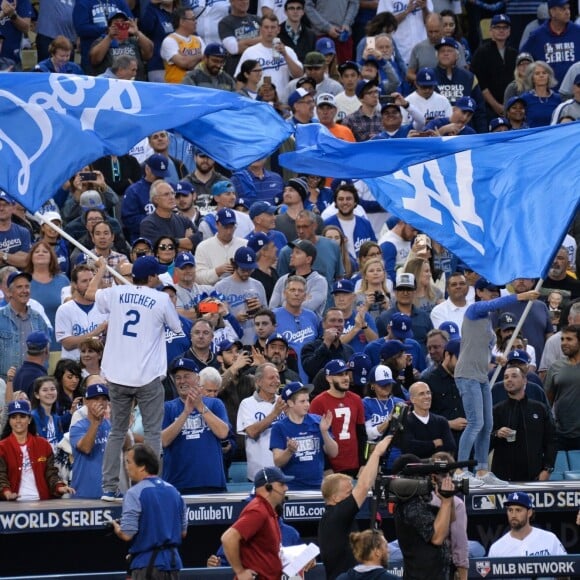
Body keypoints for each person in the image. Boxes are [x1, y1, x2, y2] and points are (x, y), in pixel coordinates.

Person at [86, 256, 182, 501]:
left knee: (117, 432)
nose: (160, 277)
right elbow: (177, 327)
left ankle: (109, 487)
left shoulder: (117, 292)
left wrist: (100, 269)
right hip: (147, 377)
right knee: (152, 433)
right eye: (157, 274)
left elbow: (89, 293)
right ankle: (151, 484)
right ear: (150, 277)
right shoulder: (161, 299)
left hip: (117, 376)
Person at [454, 277, 540, 486]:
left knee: (487, 424)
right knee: (475, 423)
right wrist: (521, 296)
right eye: (490, 290)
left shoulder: (486, 321)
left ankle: (482, 470)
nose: (494, 293)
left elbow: (477, 347)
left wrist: (494, 358)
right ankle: (460, 469)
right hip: (467, 374)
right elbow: (494, 304)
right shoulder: (474, 310)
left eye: (496, 290)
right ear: (479, 291)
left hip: (481, 374)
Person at [318, 435, 394, 580]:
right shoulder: (336, 515)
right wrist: (376, 452)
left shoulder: (334, 516)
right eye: (348, 493)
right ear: (335, 498)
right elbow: (363, 487)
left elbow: (364, 483)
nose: (353, 495)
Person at [110, 443, 188, 580]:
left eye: (129, 462)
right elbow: (183, 532)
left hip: (147, 567)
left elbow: (127, 534)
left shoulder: (134, 493)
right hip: (173, 564)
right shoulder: (174, 491)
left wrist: (117, 528)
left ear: (142, 466)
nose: (126, 467)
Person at [162, 357, 229, 493]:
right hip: (177, 484)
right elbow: (163, 441)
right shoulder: (168, 407)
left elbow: (223, 432)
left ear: (197, 379)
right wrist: (186, 412)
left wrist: (200, 406)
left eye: (187, 376)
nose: (182, 381)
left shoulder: (215, 404)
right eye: (178, 377)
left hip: (212, 482)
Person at [221, 466, 293, 580]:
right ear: (268, 487)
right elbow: (228, 538)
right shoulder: (258, 510)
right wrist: (240, 572)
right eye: (281, 484)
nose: (286, 488)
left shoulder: (268, 511)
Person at [391, 453, 455, 579]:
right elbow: (437, 538)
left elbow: (451, 519)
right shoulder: (411, 506)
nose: (426, 479)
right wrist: (446, 502)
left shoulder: (419, 503)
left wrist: (448, 497)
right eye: (421, 475)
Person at [490, 367, 556, 481]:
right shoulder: (496, 410)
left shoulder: (540, 408)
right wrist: (496, 434)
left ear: (525, 380)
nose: (509, 380)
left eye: (514, 376)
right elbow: (485, 443)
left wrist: (547, 469)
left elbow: (551, 441)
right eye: (506, 377)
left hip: (534, 477)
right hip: (503, 479)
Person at [270, 381, 338, 490]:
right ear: (290, 403)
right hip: (292, 488)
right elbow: (278, 462)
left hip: (318, 486)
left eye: (308, 400)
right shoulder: (279, 427)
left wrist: (325, 432)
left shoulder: (318, 421)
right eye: (302, 401)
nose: (307, 404)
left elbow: (334, 453)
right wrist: (289, 451)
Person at [0, 400, 72, 501]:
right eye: (13, 417)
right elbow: (1, 475)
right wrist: (7, 493)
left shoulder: (43, 444)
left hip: (41, 503)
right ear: (9, 421)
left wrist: (58, 487)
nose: (18, 420)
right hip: (13, 506)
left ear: (29, 419)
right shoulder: (2, 447)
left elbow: (51, 472)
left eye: (22, 416)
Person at [310, 359, 365, 475]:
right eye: (340, 375)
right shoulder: (318, 402)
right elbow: (316, 438)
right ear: (329, 378)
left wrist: (363, 463)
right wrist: (326, 467)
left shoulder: (356, 399)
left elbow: (361, 434)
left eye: (346, 374)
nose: (345, 378)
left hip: (354, 465)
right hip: (332, 468)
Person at [237, 363, 286, 481]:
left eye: (277, 377)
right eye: (271, 378)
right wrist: (275, 413)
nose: (276, 381)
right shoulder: (247, 404)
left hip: (284, 470)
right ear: (258, 381)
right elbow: (252, 432)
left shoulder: (284, 402)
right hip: (259, 474)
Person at [0, 270, 51, 381]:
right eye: (19, 287)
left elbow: (46, 351)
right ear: (9, 292)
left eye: (27, 287)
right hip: (5, 382)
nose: (24, 291)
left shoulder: (38, 319)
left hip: (34, 381)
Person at [488, 491, 567, 558]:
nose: (513, 515)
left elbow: (566, 571)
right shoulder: (496, 549)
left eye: (518, 510)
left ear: (529, 513)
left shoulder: (550, 539)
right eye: (510, 510)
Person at [55, 264, 108, 361]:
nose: (89, 284)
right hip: (73, 367)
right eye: (84, 281)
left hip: (99, 366)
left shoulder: (105, 307)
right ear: (74, 284)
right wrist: (94, 333)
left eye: (91, 280)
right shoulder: (64, 309)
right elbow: (67, 343)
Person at [521, 0, 580, 86]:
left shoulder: (577, 32)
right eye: (563, 9)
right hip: (548, 94)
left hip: (576, 93)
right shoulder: (537, 35)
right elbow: (523, 59)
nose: (568, 12)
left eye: (568, 8)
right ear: (552, 12)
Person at [470, 15, 518, 121]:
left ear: (509, 31)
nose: (501, 30)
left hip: (512, 108)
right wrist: (496, 106)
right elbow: (481, 84)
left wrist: (511, 106)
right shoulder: (481, 53)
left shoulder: (514, 53)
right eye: (497, 27)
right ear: (491, 30)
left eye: (505, 27)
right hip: (488, 109)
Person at [70, 383, 112, 499]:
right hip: (84, 494)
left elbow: (126, 446)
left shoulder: (110, 425)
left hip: (108, 494)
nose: (100, 402)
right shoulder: (77, 427)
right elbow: (86, 448)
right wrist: (95, 422)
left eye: (104, 399)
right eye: (96, 398)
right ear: (86, 401)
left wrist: (122, 425)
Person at [545, 324, 580, 450]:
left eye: (569, 339)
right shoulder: (555, 367)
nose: (564, 343)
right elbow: (547, 402)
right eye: (562, 339)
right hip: (561, 434)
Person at [401, 382, 456, 459]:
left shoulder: (441, 421)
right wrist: (434, 443)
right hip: (417, 469)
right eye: (421, 394)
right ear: (413, 399)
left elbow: (450, 447)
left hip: (440, 468)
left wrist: (423, 447)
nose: (427, 397)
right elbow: (409, 448)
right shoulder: (406, 422)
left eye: (428, 393)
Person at [160, 6, 205, 83]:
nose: (196, 22)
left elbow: (206, 62)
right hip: (176, 87)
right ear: (182, 21)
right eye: (193, 19)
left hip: (196, 86)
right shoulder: (170, 41)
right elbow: (184, 63)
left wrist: (188, 59)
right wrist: (199, 56)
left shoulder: (198, 39)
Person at [519, 60, 561, 127]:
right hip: (533, 136)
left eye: (544, 73)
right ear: (532, 78)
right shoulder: (524, 99)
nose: (541, 75)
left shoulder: (558, 99)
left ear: (548, 76)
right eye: (537, 73)